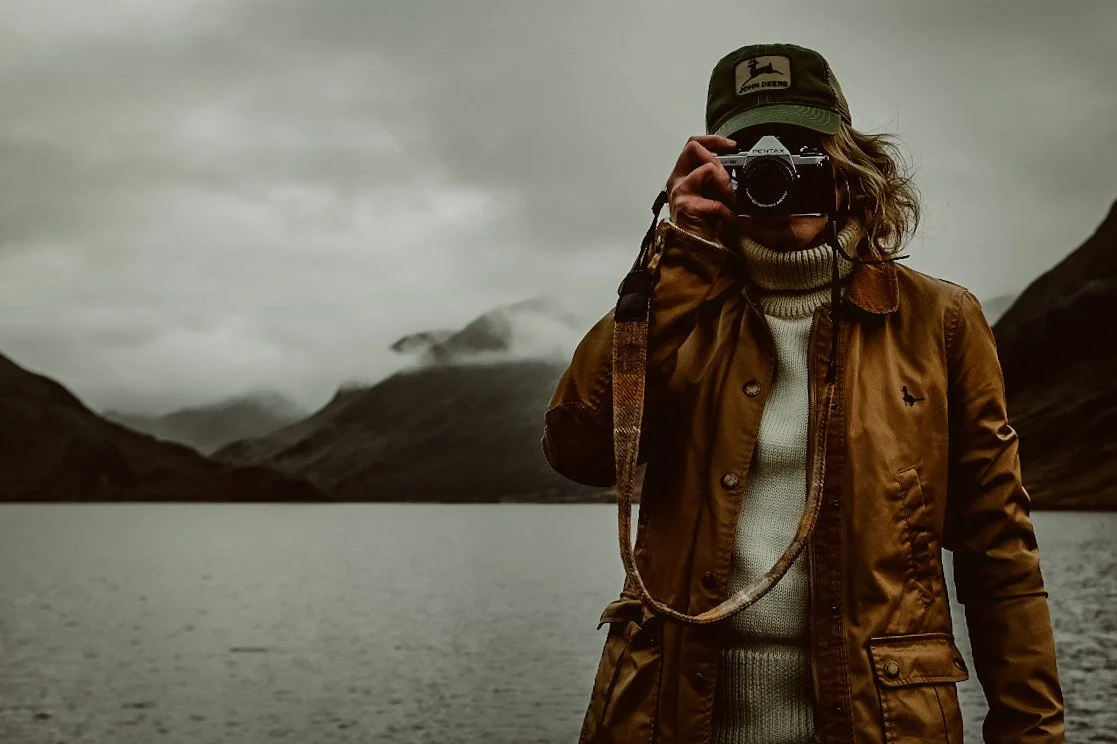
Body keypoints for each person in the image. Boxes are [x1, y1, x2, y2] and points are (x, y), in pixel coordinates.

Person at [542, 42, 1064, 744]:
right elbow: (578, 452)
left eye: (799, 147)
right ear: (713, 169)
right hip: (668, 719)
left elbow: (998, 551)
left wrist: (1030, 734)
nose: (775, 170)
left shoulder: (939, 321)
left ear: (846, 161)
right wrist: (680, 252)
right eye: (750, 153)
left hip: (880, 724)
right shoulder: (673, 303)